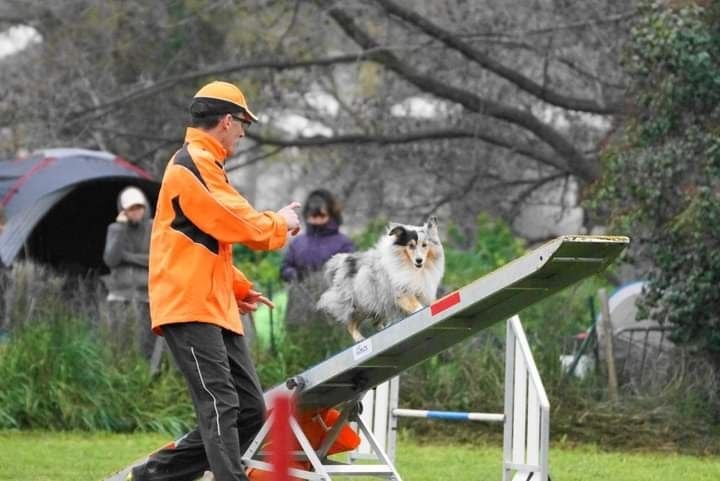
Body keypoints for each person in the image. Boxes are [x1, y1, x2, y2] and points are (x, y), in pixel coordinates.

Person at [129, 80, 300, 481]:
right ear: (226, 121)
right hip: (189, 304)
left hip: (212, 303)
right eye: (243, 123)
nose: (243, 132)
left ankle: (152, 476)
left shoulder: (206, 165)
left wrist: (238, 288)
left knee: (249, 411)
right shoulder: (192, 163)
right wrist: (281, 223)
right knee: (220, 404)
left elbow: (208, 241)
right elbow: (239, 221)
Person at [280, 189, 354, 326]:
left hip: (334, 307)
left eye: (321, 215)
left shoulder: (344, 243)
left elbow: (351, 271)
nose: (317, 219)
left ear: (331, 214)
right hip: (300, 307)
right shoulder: (297, 243)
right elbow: (285, 268)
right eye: (313, 215)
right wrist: (295, 274)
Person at [103, 186, 155, 359]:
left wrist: (126, 257)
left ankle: (146, 378)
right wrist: (120, 229)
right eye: (131, 208)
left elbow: (156, 259)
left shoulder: (154, 227)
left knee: (146, 344)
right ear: (123, 210)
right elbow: (111, 259)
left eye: (139, 207)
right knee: (120, 343)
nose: (136, 212)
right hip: (120, 294)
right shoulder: (115, 229)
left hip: (147, 295)